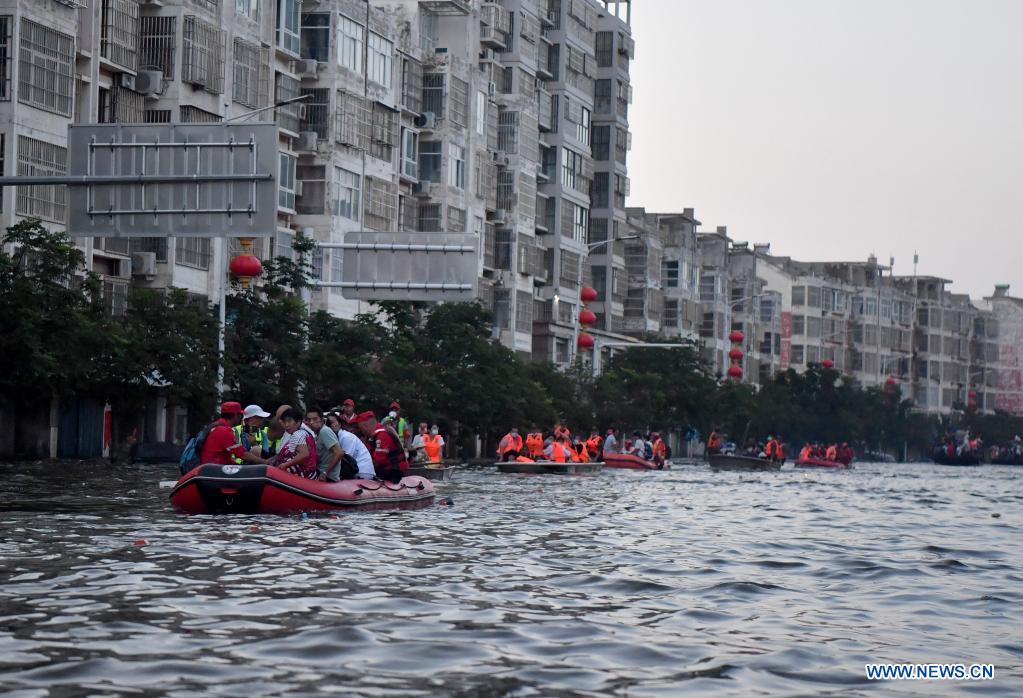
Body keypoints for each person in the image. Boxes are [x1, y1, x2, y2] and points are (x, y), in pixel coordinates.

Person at [200, 402, 267, 465]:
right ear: (235, 415)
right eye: (240, 415)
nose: (241, 417)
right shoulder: (223, 431)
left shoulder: (218, 426)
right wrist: (265, 462)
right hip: (215, 470)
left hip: (216, 466)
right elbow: (242, 454)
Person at [356, 411, 409, 483]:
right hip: (387, 469)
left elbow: (379, 460)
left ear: (365, 426)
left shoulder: (382, 435)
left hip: (393, 471)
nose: (360, 431)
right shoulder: (373, 436)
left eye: (360, 428)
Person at [270, 407, 318, 479]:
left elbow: (304, 454)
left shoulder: (298, 434)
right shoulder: (301, 432)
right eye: (285, 422)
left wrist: (285, 464)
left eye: (289, 421)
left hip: (304, 479)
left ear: (298, 422)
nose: (286, 425)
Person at [306, 407, 343, 482]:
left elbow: (339, 453)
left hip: (327, 477)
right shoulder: (318, 433)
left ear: (322, 419)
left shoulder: (324, 431)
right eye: (309, 420)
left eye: (315, 419)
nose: (311, 422)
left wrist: (325, 473)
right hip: (321, 472)